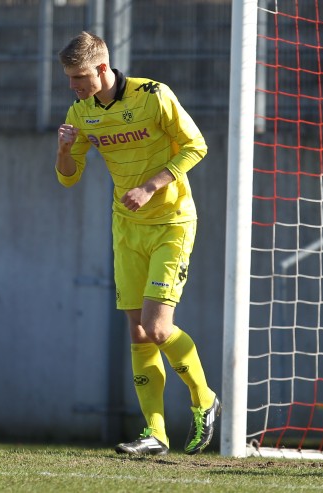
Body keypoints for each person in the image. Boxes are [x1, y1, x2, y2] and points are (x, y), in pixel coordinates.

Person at [55, 32, 221, 456]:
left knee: (158, 327)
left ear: (103, 69)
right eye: (69, 79)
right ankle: (156, 433)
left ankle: (204, 398)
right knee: (138, 331)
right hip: (126, 228)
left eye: (79, 77)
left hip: (172, 222)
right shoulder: (81, 111)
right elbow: (68, 177)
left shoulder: (154, 95)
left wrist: (151, 185)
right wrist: (64, 150)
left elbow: (195, 145)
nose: (73, 87)